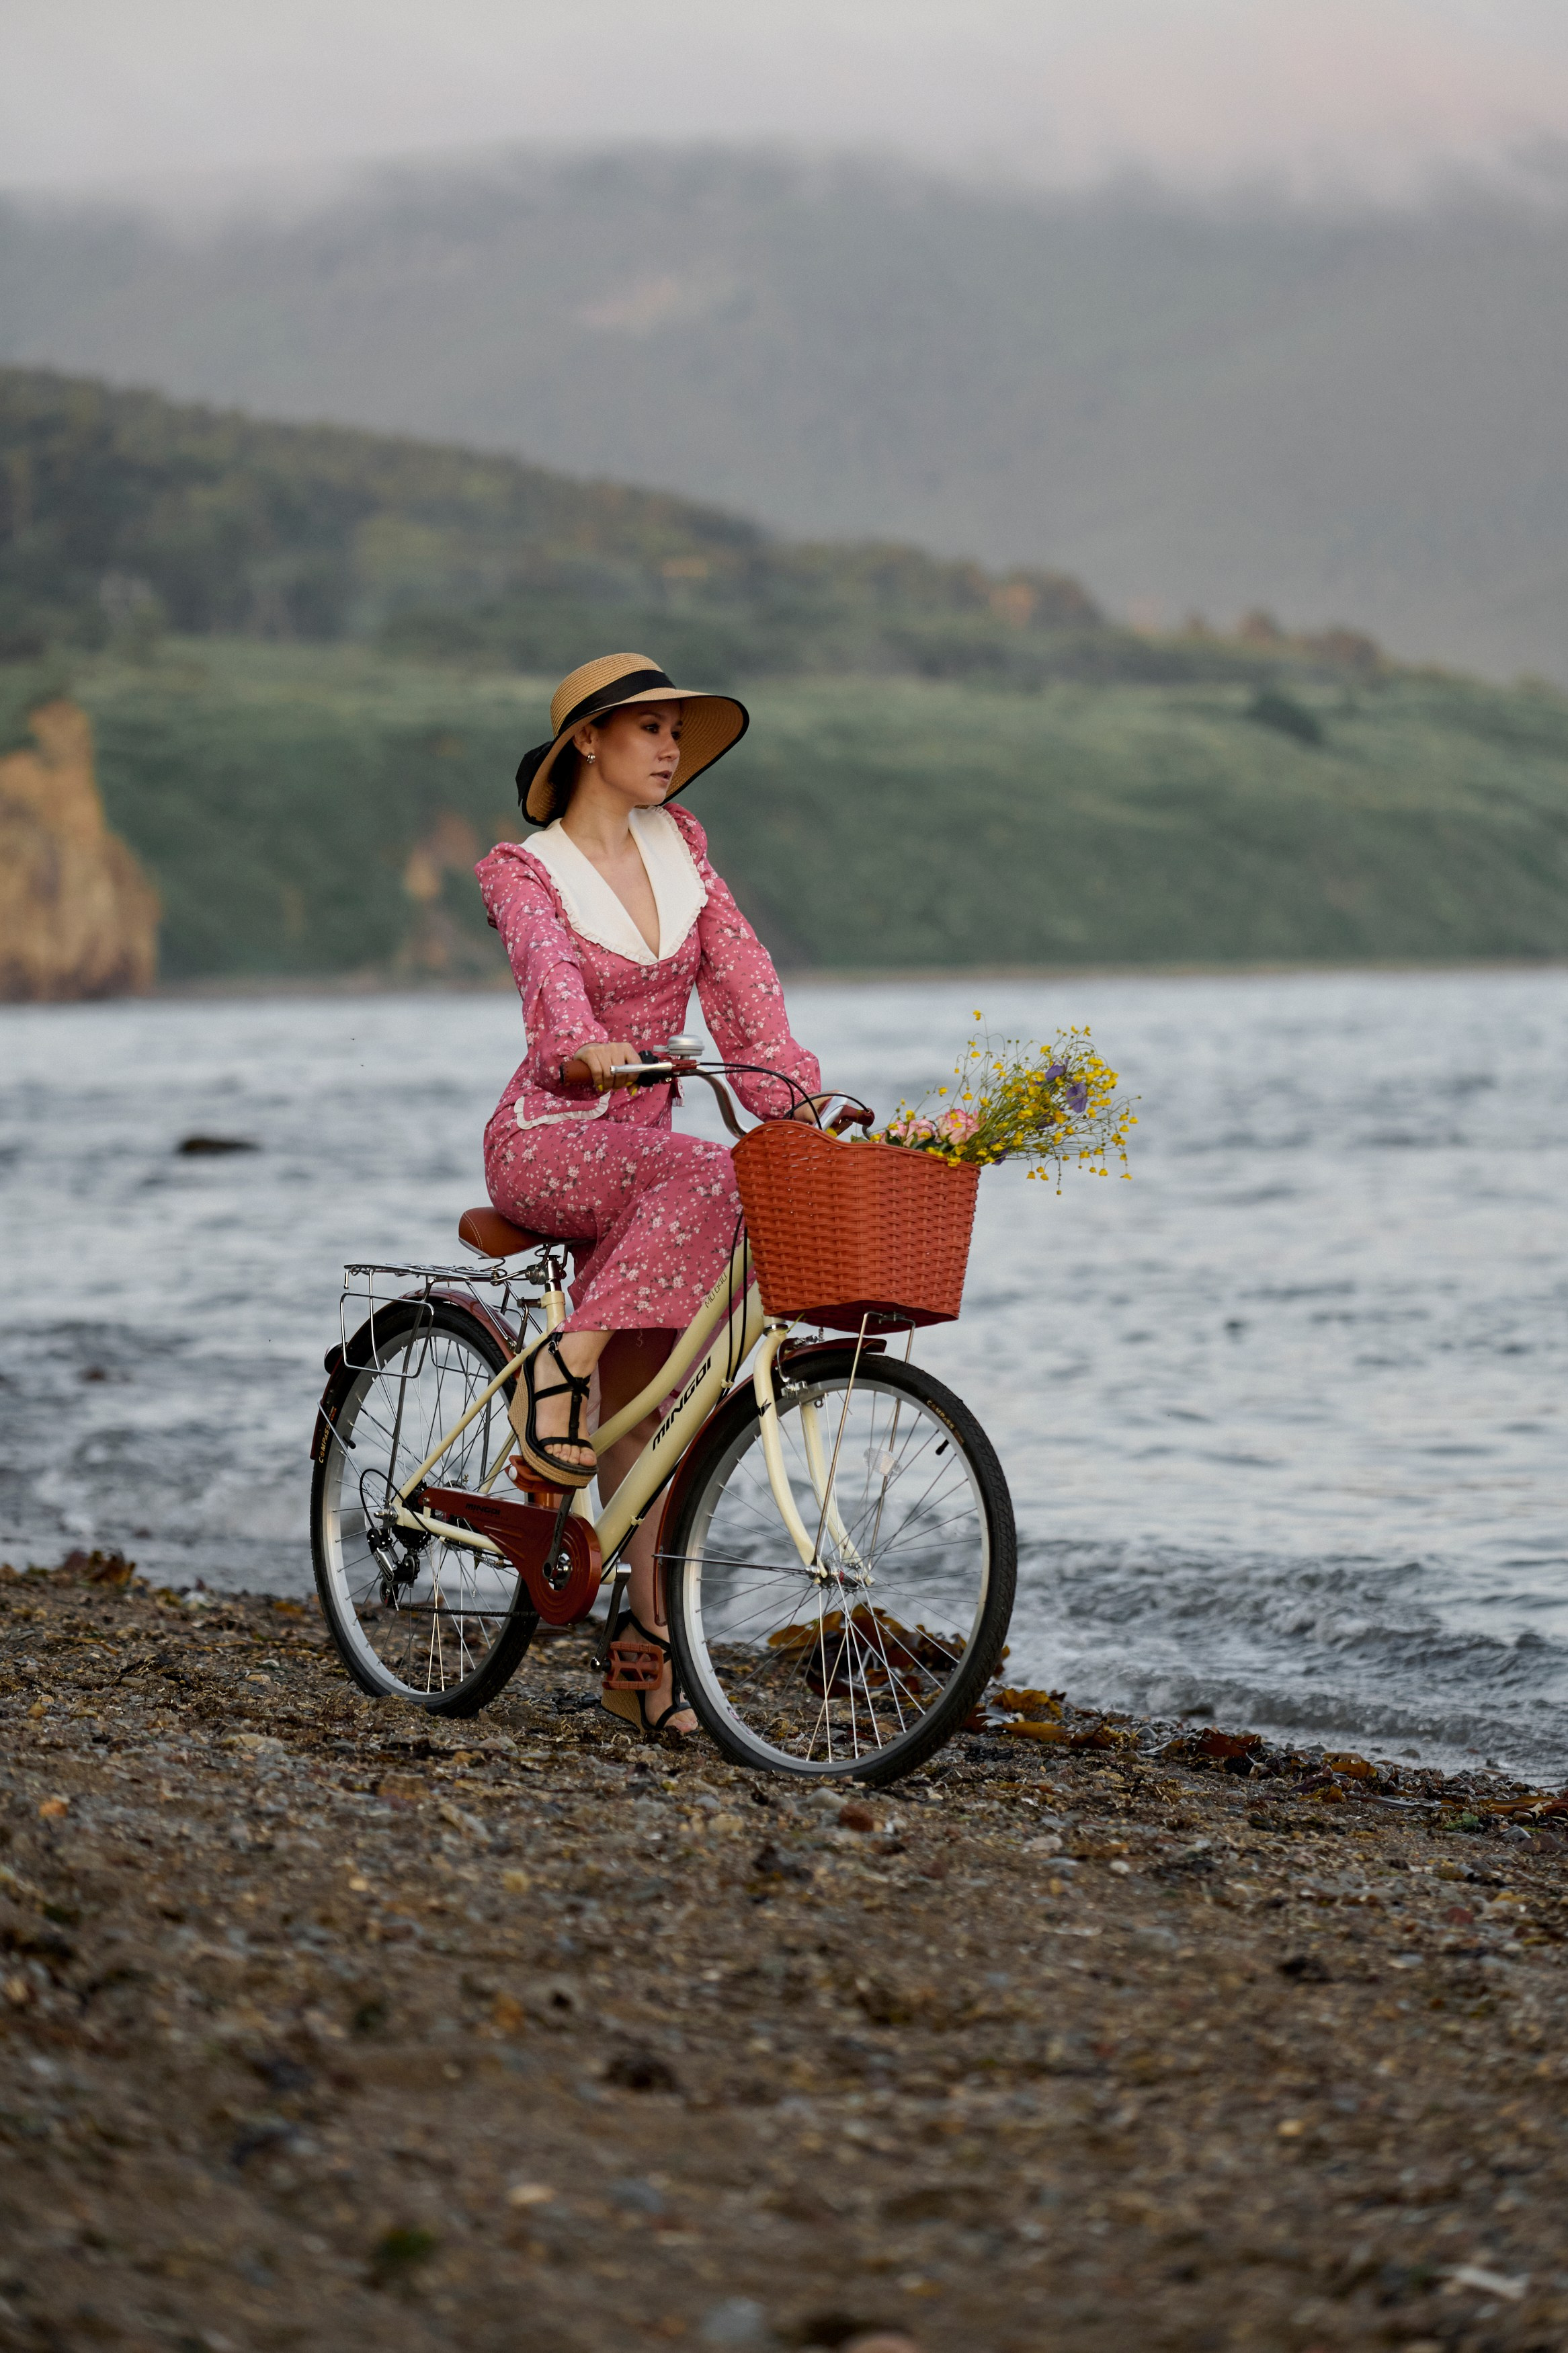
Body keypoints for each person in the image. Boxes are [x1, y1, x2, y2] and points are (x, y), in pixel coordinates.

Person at [475, 651, 823, 1739]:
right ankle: (559, 1366)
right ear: (586, 740)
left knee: (666, 1419)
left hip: (656, 1173)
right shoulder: (523, 870)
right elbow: (549, 985)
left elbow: (743, 990)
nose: (670, 751)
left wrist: (800, 1099)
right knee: (699, 1173)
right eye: (648, 730)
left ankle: (643, 1658)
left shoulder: (687, 857)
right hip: (551, 1139)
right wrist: (581, 1051)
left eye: (678, 732)